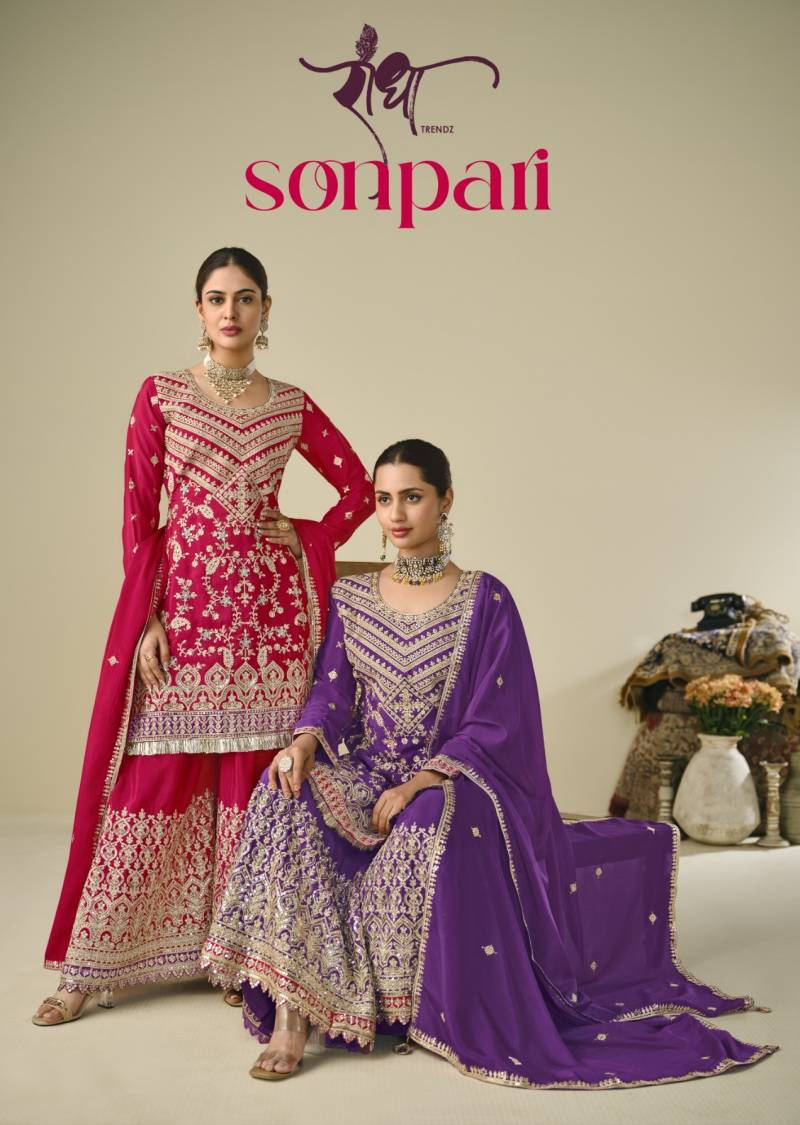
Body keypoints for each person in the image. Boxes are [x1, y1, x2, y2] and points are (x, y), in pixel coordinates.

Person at [202, 438, 777, 1087]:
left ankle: (397, 1002)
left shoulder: (484, 599)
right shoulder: (352, 597)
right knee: (284, 793)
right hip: (369, 769)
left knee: (429, 821)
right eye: (384, 499)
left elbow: (499, 720)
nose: (396, 514)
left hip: (453, 775)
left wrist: (424, 779)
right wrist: (303, 743)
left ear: (445, 500)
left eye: (412, 496)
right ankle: (293, 1011)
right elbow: (332, 695)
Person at [33, 247, 374, 1026]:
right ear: (198, 310)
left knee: (252, 787)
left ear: (265, 309)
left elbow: (358, 487)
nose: (231, 311)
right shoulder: (160, 395)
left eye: (245, 297)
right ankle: (90, 967)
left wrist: (312, 535)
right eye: (217, 298)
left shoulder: (289, 404)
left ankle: (235, 953)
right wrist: (146, 616)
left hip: (267, 628)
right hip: (184, 615)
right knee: (151, 781)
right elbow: (138, 512)